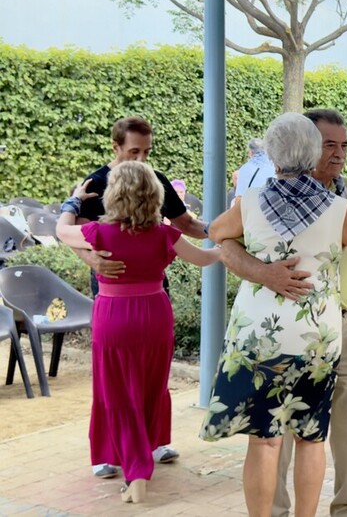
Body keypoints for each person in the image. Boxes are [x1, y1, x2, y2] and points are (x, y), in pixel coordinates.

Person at [199, 114, 347, 517]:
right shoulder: (336, 207)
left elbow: (215, 232)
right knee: (311, 438)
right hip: (317, 338)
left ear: (272, 154)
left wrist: (261, 268)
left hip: (258, 336)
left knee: (264, 440)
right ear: (313, 151)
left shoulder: (251, 202)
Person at [56, 161, 221, 503]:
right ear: (156, 195)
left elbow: (62, 230)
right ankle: (143, 458)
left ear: (113, 195)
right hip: (155, 316)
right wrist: (229, 246)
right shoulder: (165, 234)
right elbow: (206, 259)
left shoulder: (98, 233)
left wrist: (73, 201)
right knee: (149, 389)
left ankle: (136, 471)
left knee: (118, 394)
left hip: (113, 317)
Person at [76, 116, 206, 479]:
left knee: (153, 375)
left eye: (147, 151)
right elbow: (73, 233)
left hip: (152, 294)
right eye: (134, 151)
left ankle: (154, 440)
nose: (141, 159)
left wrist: (227, 230)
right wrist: (91, 259)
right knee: (112, 379)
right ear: (115, 147)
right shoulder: (96, 183)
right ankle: (107, 451)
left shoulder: (154, 181)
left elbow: (188, 226)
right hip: (112, 293)